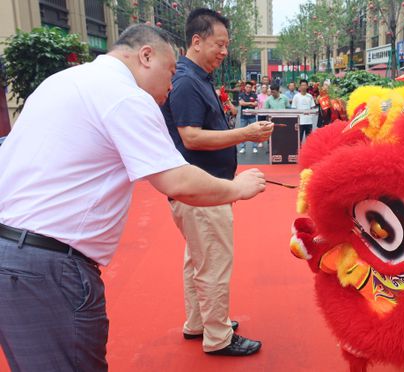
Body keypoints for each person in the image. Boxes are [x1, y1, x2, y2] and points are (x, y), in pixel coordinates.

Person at [0, 24, 266, 371]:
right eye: (170, 71)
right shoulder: (124, 95)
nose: (171, 86)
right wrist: (238, 189)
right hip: (49, 266)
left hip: (14, 253)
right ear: (145, 56)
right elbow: (176, 180)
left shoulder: (62, 81)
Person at [161, 9, 273, 357]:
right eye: (219, 44)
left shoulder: (195, 78)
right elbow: (191, 137)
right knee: (213, 264)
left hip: (201, 189)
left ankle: (201, 322)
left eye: (226, 45)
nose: (224, 51)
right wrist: (247, 132)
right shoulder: (186, 82)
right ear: (196, 41)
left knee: (198, 261)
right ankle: (218, 336)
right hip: (202, 192)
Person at [291, 79, 316, 143]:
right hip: (300, 122)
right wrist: (295, 121)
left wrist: (311, 116)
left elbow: (313, 107)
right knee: (299, 140)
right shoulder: (296, 96)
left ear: (307, 86)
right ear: (300, 86)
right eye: (302, 85)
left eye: (305, 85)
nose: (303, 87)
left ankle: (308, 152)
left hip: (308, 122)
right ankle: (299, 152)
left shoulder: (310, 96)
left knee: (309, 140)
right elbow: (293, 109)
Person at [238, 81, 259, 153]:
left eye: (250, 87)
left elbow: (256, 104)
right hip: (243, 117)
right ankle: (242, 147)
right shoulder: (241, 94)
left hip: (252, 116)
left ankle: (255, 147)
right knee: (243, 132)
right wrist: (250, 103)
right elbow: (241, 103)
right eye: (247, 87)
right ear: (245, 87)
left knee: (255, 132)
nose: (248, 88)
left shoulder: (254, 95)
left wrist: (247, 103)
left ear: (251, 88)